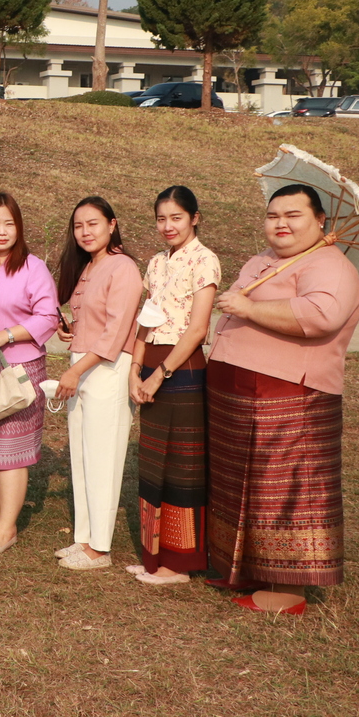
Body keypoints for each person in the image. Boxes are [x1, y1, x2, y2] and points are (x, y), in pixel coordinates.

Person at [208, 184, 359, 614]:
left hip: (288, 393)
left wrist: (250, 308)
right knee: (243, 486)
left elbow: (320, 315)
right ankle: (245, 568)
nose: (281, 224)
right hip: (239, 391)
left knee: (284, 488)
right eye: (273, 215)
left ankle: (289, 588)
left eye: (293, 215)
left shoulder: (330, 265)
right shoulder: (263, 261)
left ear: (320, 221)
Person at [126, 186, 220, 586]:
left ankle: (179, 563)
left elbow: (197, 329)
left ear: (194, 218)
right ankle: (154, 555)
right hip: (150, 365)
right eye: (161, 218)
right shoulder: (156, 263)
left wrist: (158, 374)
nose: (168, 226)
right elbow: (145, 321)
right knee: (152, 462)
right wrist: (135, 365)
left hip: (181, 370)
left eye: (176, 217)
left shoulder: (205, 261)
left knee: (182, 466)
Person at [52, 196, 143, 571]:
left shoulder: (122, 267)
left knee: (103, 456)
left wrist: (75, 370)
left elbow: (116, 331)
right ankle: (84, 539)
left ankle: (100, 548)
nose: (85, 232)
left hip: (106, 368)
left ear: (112, 224)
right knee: (83, 454)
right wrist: (68, 331)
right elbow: (90, 322)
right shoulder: (89, 266)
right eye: (78, 226)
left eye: (93, 223)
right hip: (83, 364)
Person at [0, 193, 60, 555]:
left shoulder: (32, 267)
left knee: (12, 451)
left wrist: (7, 334)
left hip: (20, 368)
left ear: (18, 226)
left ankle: (7, 529)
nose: (2, 231)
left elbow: (48, 316)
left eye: (9, 223)